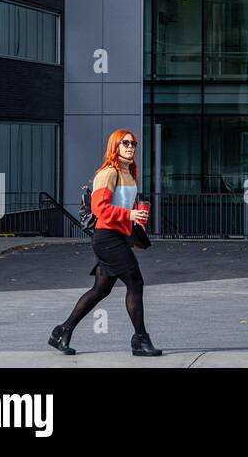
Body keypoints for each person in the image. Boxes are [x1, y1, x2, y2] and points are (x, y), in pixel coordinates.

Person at [49, 129, 161, 357]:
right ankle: (140, 339)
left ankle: (62, 331)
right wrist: (128, 215)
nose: (131, 147)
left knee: (100, 290)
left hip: (118, 236)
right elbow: (99, 209)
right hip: (107, 238)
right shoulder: (108, 173)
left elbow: (121, 205)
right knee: (136, 283)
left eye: (134, 143)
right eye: (125, 143)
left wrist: (134, 216)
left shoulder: (129, 172)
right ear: (115, 146)